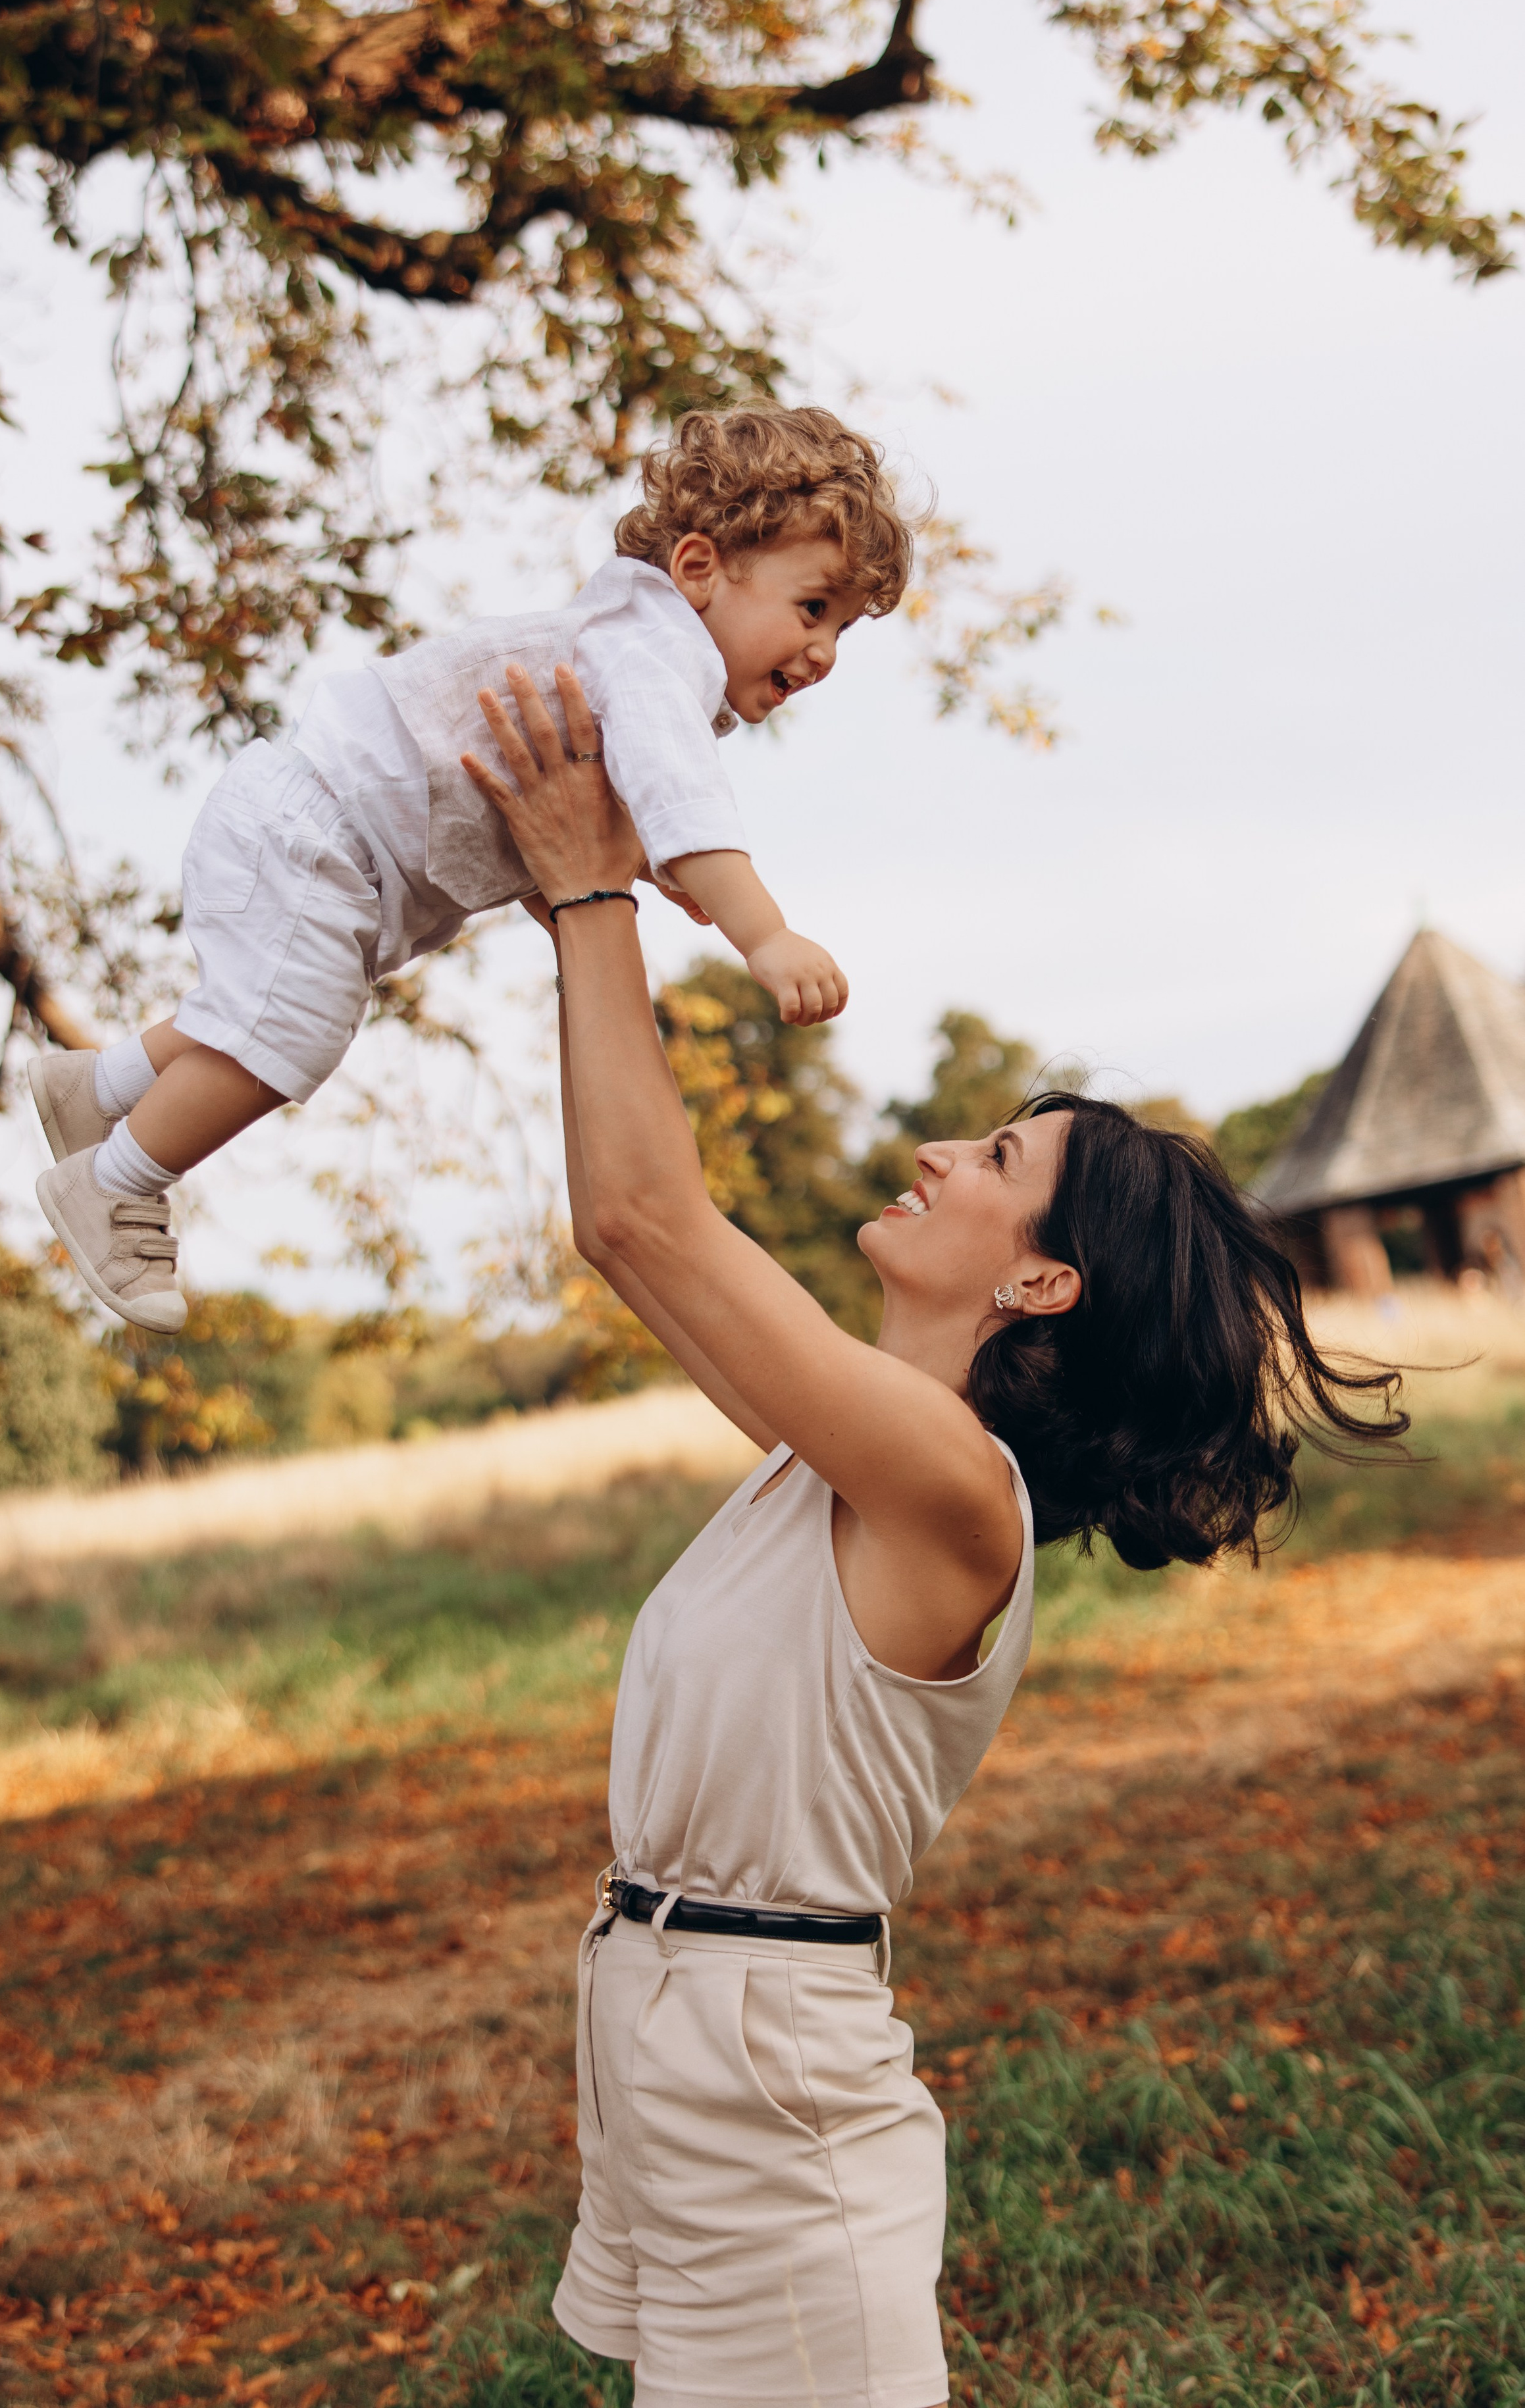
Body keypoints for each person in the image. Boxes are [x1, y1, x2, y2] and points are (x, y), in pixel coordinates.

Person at [461, 662, 1407, 2408]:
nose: (927, 1149)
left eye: (988, 1154)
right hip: (683, 2058)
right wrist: (567, 896)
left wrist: (596, 885)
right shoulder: (836, 1459)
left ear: (1042, 1276)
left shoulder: (952, 1486)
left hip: (775, 2108)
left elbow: (658, 1216)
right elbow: (621, 1222)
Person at [28, 405, 912, 1337]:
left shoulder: (633, 645)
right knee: (290, 1034)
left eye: (845, 631)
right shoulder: (658, 658)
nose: (823, 652)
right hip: (322, 829)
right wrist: (762, 933)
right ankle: (115, 1185)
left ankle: (98, 1091)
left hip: (314, 826)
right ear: (698, 569)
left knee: (258, 1013)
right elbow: (686, 802)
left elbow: (634, 802)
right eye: (813, 608)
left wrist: (658, 867)